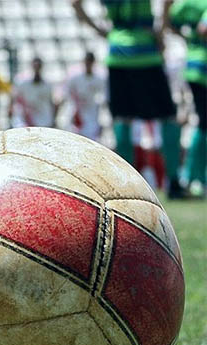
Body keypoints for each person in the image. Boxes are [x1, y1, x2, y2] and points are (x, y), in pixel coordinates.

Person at [73, 0, 185, 198]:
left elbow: (75, 4)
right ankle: (174, 182)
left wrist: (103, 32)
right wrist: (160, 31)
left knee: (122, 118)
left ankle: (128, 188)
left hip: (117, 55)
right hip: (147, 54)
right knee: (167, 117)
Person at [168, 0, 207, 195]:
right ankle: (196, 177)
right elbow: (204, 28)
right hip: (204, 68)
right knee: (204, 124)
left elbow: (170, 21)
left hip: (193, 65)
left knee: (202, 122)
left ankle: (194, 177)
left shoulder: (186, 3)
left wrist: (187, 39)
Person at [62, 52, 107, 140]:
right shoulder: (75, 78)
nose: (88, 63)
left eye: (90, 61)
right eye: (86, 61)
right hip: (77, 115)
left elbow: (103, 100)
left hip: (92, 118)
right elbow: (67, 95)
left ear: (93, 62)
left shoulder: (99, 79)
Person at [11, 57, 57, 129]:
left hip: (44, 122)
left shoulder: (48, 84)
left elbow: (52, 102)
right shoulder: (21, 82)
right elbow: (14, 99)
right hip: (25, 123)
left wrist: (52, 119)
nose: (36, 69)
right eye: (35, 66)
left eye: (38, 66)